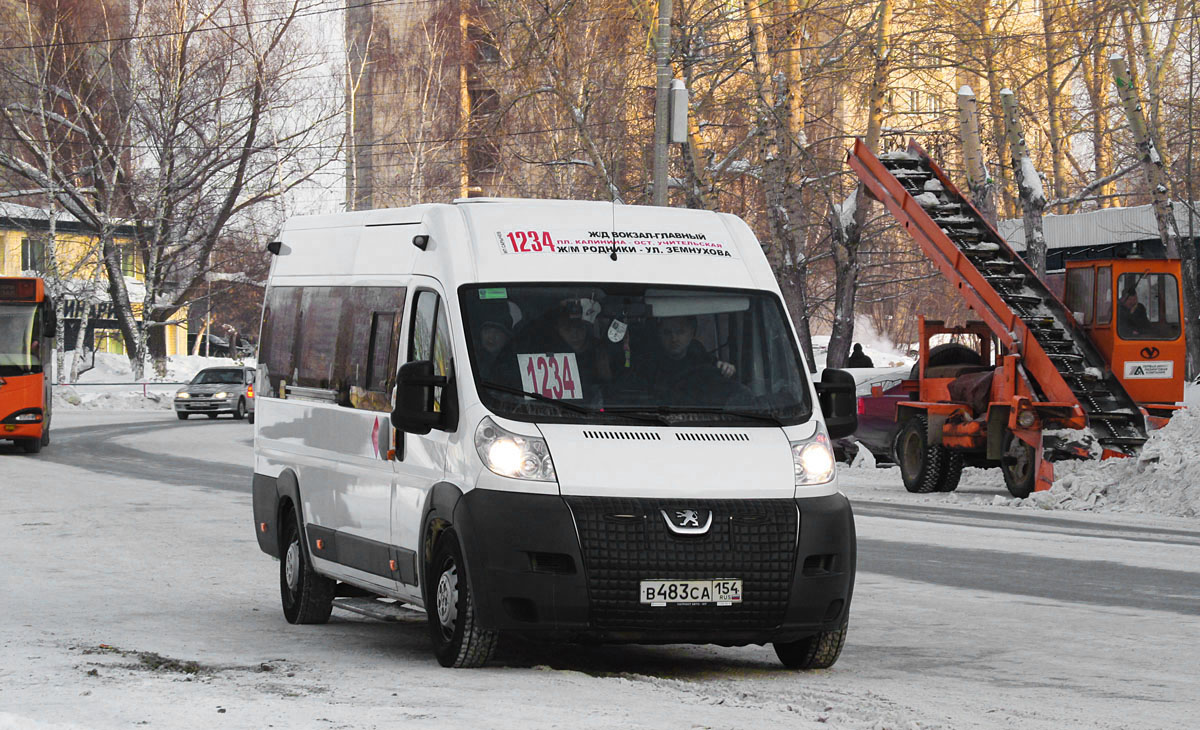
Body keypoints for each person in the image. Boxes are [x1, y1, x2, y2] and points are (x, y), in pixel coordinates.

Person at [645, 315, 736, 404]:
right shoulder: (649, 363)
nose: (674, 339)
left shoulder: (700, 356)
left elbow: (717, 370)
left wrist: (727, 369)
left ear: (692, 334)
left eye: (680, 332)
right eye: (667, 332)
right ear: (659, 334)